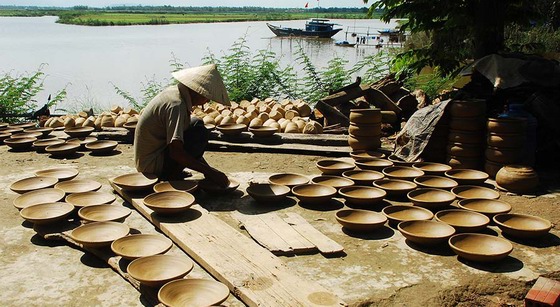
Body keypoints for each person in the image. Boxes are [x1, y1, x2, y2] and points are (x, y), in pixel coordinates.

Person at [134, 64, 230, 187]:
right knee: (199, 134)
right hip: (151, 167)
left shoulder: (175, 92)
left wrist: (208, 170)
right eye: (207, 97)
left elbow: (189, 148)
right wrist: (209, 172)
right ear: (197, 92)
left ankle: (174, 171)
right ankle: (170, 176)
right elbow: (176, 152)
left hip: (153, 155)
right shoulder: (176, 105)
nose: (206, 102)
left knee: (196, 124)